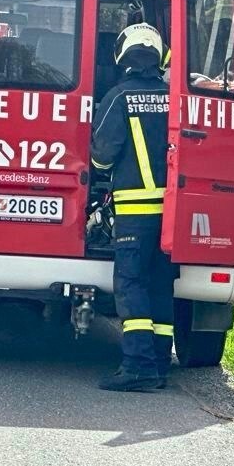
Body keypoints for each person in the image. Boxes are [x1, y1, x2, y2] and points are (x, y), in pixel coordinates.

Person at [90, 23, 176, 392]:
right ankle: (158, 362)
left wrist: (100, 173)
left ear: (122, 57)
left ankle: (138, 366)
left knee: (131, 284)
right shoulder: (177, 97)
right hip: (173, 211)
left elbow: (102, 155)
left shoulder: (119, 97)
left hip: (135, 210)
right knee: (160, 284)